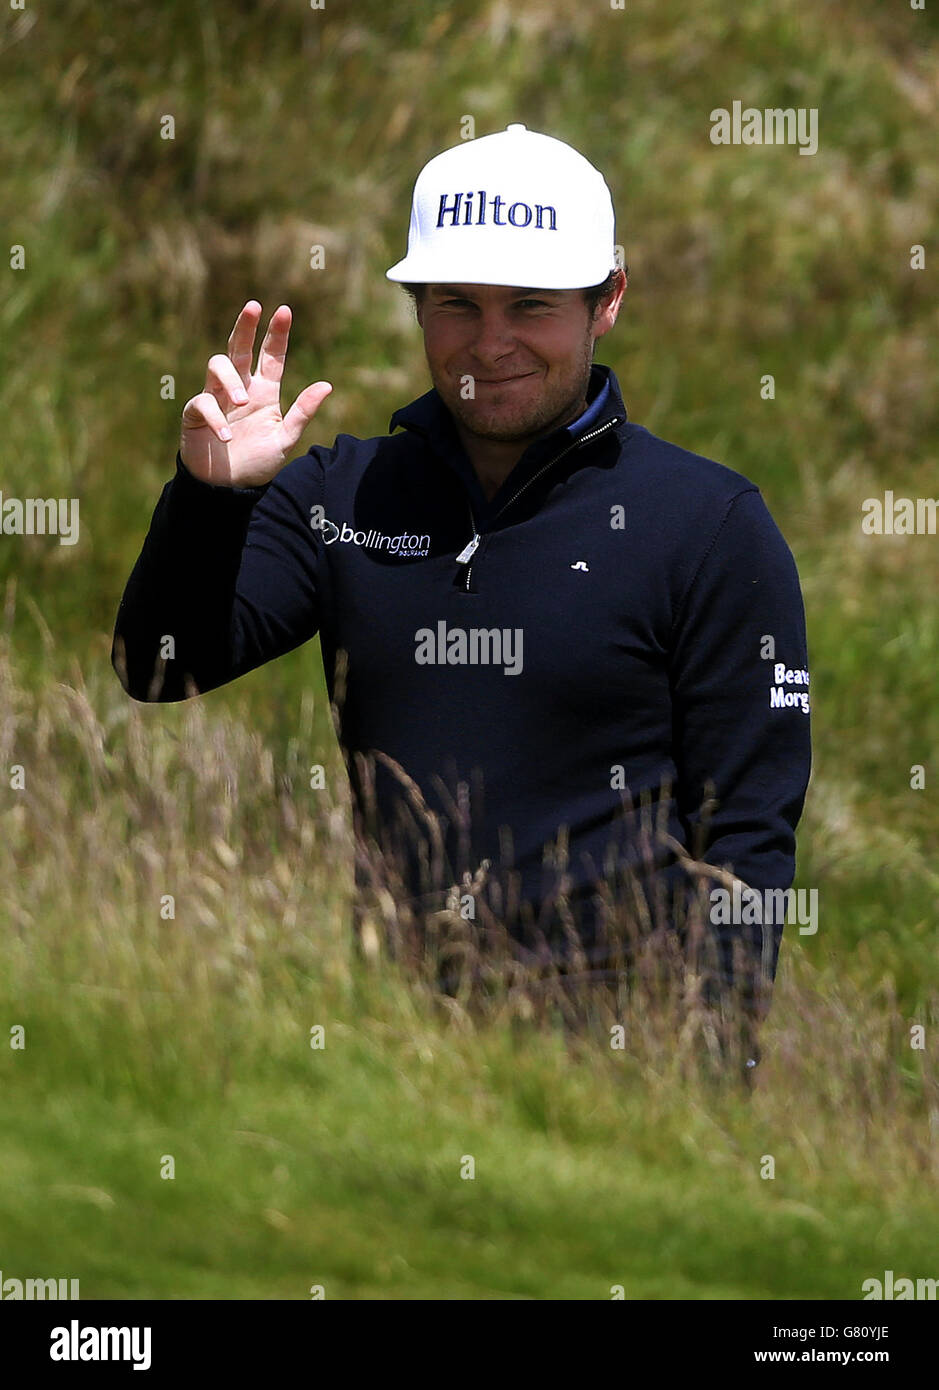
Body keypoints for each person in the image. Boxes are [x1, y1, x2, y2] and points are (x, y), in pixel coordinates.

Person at [111, 124, 811, 1060]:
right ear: (415, 305)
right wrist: (213, 497)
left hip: (620, 1052)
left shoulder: (709, 523)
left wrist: (711, 1075)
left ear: (606, 302)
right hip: (393, 1041)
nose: (490, 342)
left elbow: (748, 839)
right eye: (456, 304)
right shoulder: (341, 492)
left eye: (530, 305)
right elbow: (161, 669)